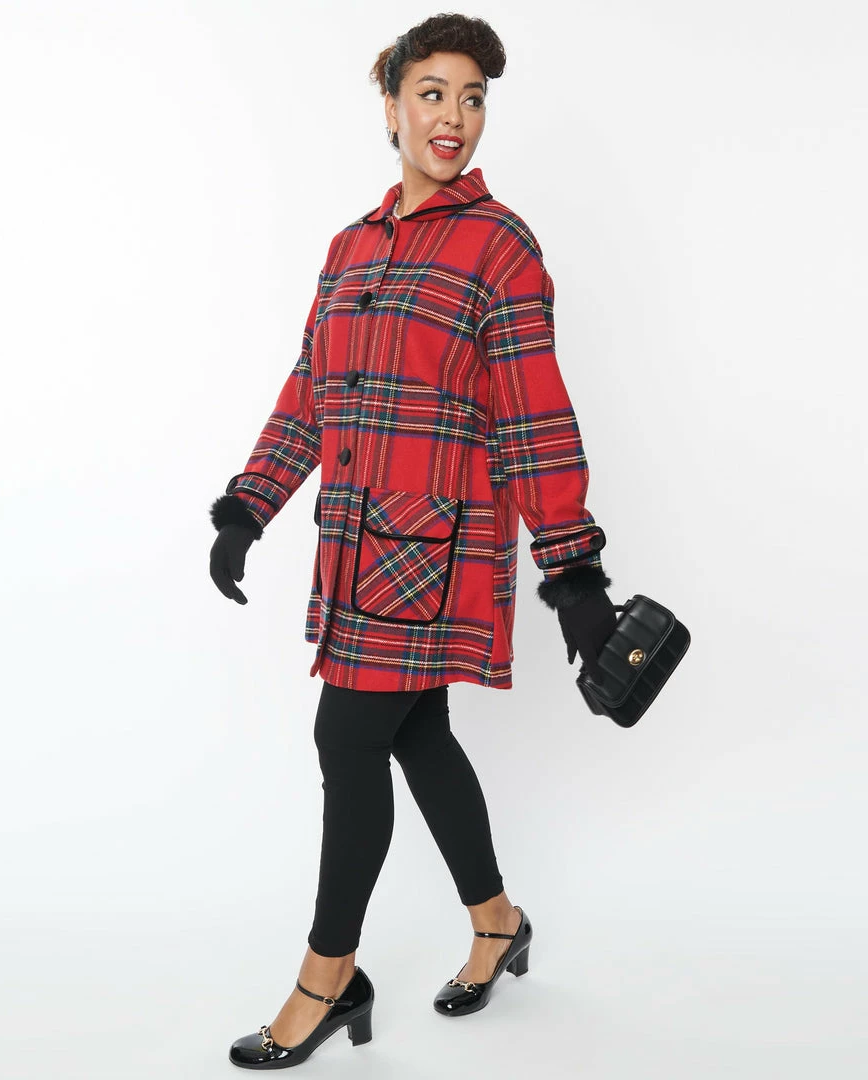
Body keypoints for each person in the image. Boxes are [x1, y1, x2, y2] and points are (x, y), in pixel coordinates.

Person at [209, 13, 617, 1071]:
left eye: (472, 97)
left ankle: (328, 980)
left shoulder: (500, 246)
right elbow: (312, 387)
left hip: (431, 558)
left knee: (346, 741)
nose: (454, 117)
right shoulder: (349, 247)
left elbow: (533, 412)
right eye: (432, 93)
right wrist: (250, 504)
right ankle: (498, 923)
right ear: (389, 105)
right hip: (354, 546)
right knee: (415, 735)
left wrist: (573, 571)